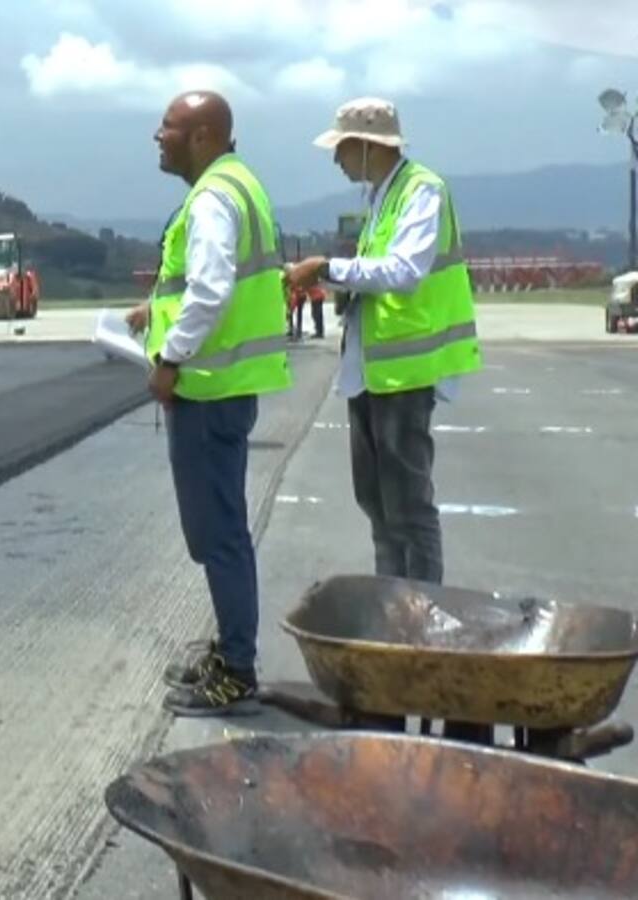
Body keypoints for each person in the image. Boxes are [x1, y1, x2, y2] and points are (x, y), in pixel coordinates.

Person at [126, 91, 292, 715]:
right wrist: (154, 313)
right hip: (225, 388)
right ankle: (231, 647)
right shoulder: (238, 183)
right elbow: (212, 283)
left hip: (207, 391)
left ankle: (239, 669)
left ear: (200, 136)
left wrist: (170, 358)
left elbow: (214, 285)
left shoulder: (214, 197)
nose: (157, 136)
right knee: (220, 527)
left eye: (167, 126)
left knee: (217, 531)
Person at [286, 97, 481, 586]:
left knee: (408, 508)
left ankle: (420, 613)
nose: (337, 160)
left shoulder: (422, 191)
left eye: (343, 148)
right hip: (372, 372)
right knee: (376, 504)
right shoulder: (382, 197)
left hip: (404, 374)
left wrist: (329, 269)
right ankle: (391, 605)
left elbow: (404, 270)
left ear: (370, 147)